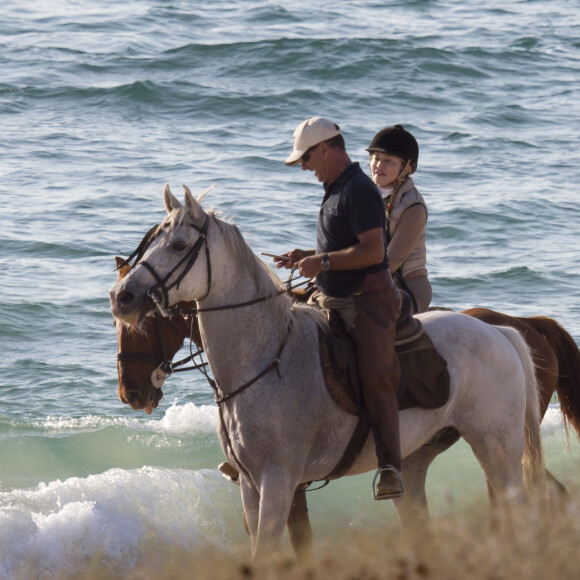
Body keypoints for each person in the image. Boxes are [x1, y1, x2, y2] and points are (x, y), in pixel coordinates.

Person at [277, 116, 404, 500]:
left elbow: (372, 250)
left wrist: (324, 263)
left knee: (374, 375)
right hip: (331, 295)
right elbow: (343, 243)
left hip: (365, 303)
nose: (303, 166)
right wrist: (309, 255)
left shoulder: (359, 190)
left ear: (326, 149)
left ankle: (390, 467)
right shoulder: (334, 187)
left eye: (306, 158)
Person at [367, 125, 432, 313]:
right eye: (375, 158)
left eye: (388, 161)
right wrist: (312, 257)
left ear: (407, 168)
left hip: (406, 287)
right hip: (368, 279)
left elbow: (389, 263)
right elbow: (350, 248)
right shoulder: (361, 195)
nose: (379, 165)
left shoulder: (414, 208)